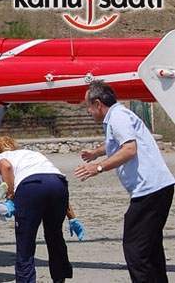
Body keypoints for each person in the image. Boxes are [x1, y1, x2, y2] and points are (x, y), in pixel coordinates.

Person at [74, 80, 175, 283]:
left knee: (135, 249)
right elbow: (119, 141)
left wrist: (98, 167)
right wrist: (96, 153)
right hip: (157, 187)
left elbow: (129, 149)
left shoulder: (118, 117)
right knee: (150, 247)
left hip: (150, 190)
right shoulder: (118, 116)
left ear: (97, 104)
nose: (89, 112)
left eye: (88, 108)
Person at [0, 136, 73, 283]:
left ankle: (26, 280)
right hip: (58, 183)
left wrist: (10, 197)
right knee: (55, 235)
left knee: (26, 241)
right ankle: (60, 277)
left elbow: (6, 167)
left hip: (30, 187)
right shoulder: (32, 153)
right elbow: (50, 179)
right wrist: (72, 216)